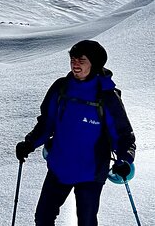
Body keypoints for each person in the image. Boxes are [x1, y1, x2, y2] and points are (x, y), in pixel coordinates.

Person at [15, 40, 136, 226]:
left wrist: (125, 160)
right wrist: (29, 143)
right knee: (43, 218)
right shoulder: (61, 88)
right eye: (72, 59)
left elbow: (123, 135)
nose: (75, 64)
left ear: (94, 64)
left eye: (81, 60)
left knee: (86, 222)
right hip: (59, 167)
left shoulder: (107, 96)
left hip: (91, 173)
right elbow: (46, 123)